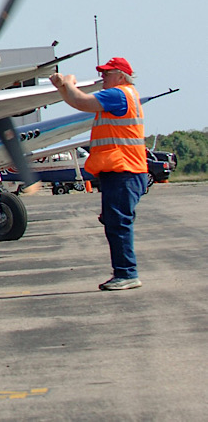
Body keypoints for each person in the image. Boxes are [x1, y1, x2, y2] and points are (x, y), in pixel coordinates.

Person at [49, 57, 147, 291]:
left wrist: (69, 83)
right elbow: (77, 102)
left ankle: (126, 273)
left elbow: (80, 101)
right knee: (115, 222)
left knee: (118, 223)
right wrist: (64, 87)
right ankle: (124, 272)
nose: (103, 77)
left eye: (107, 73)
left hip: (124, 170)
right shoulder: (122, 95)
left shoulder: (119, 94)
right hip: (123, 170)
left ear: (121, 76)